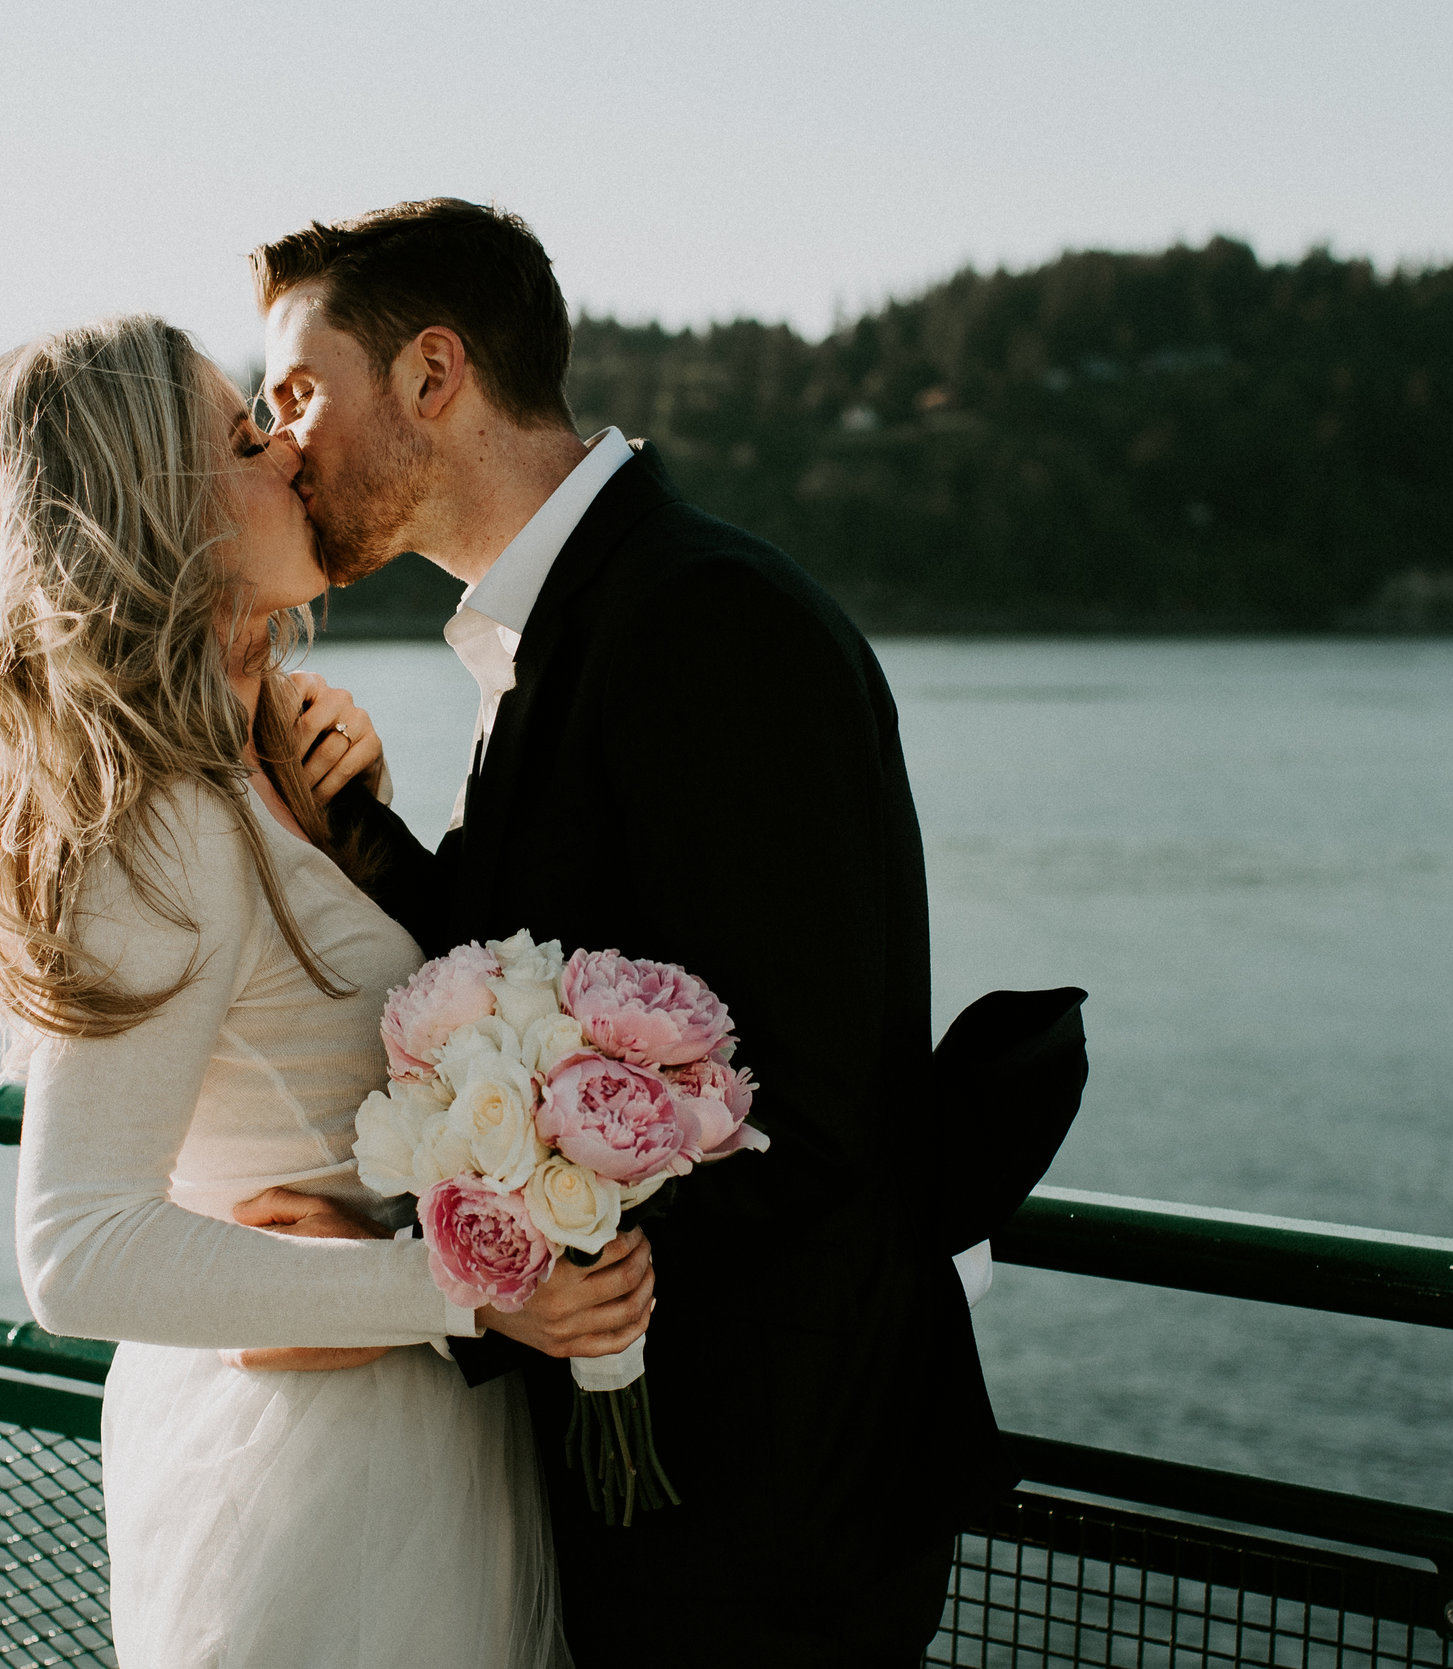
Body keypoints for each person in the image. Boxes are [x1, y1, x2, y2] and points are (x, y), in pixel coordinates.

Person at [0, 315, 653, 1668]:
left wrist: (361, 824)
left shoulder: (257, 767)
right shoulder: (159, 825)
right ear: (160, 512)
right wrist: (459, 1290)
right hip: (332, 1489)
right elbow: (77, 1250)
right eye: (250, 439)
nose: (295, 455)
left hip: (394, 1444)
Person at [247, 199, 1020, 1667]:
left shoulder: (708, 618)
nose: (283, 440)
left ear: (431, 374)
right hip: (667, 1485)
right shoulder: (551, 632)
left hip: (763, 1504)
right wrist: (353, 826)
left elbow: (808, 1099)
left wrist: (472, 1264)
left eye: (298, 391)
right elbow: (533, 982)